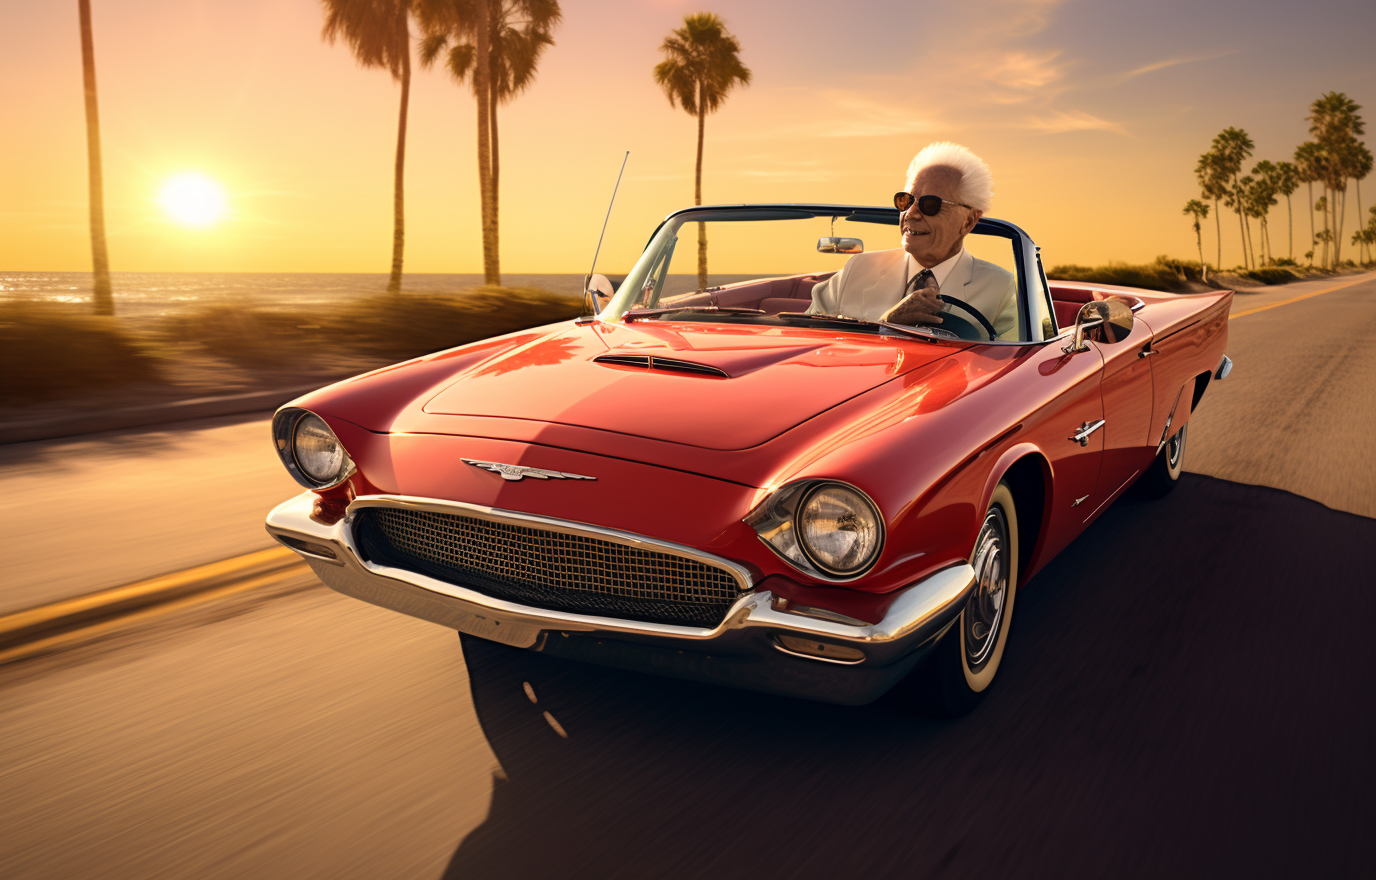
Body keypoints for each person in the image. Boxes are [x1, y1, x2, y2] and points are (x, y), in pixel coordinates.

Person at [808, 142, 1019, 339]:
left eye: (930, 204)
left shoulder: (1003, 289)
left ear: (968, 221)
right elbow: (806, 333)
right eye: (906, 200)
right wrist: (886, 324)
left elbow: (1016, 366)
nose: (911, 213)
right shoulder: (857, 269)